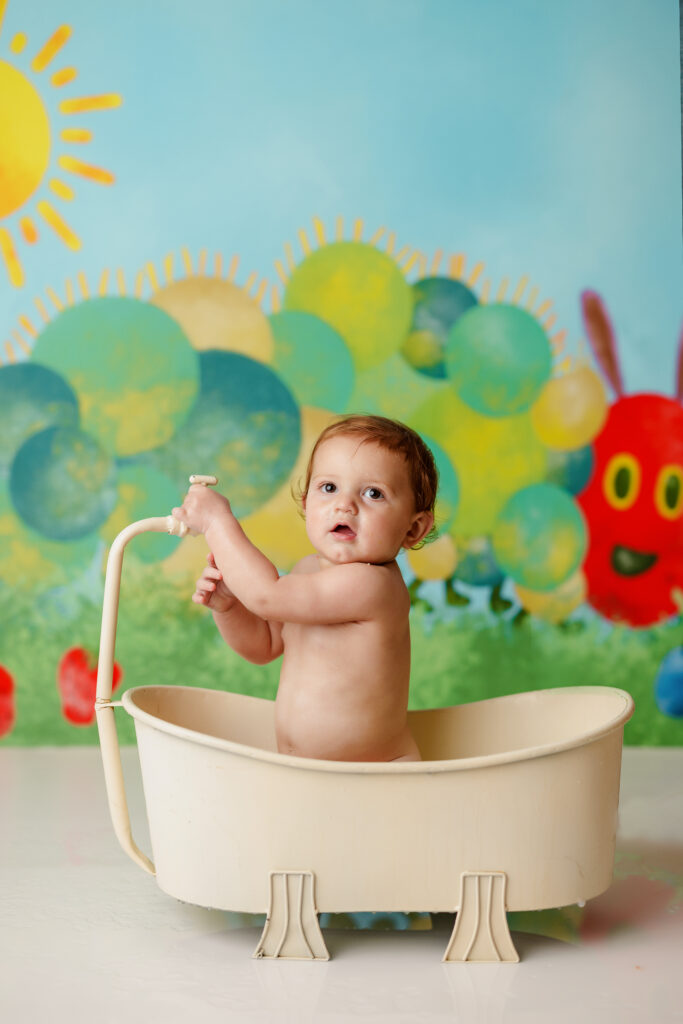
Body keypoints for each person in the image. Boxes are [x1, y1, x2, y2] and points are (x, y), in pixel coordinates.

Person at [173, 414, 438, 763]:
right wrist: (230, 609)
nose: (345, 505)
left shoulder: (373, 585)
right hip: (308, 772)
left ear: (413, 529)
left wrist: (216, 521)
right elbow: (264, 645)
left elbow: (267, 596)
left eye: (373, 493)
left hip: (377, 778)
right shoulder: (307, 572)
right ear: (305, 503)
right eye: (329, 488)